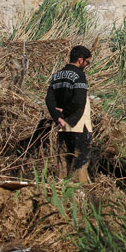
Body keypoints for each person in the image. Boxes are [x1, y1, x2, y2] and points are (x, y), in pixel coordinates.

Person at [45, 45, 94, 183]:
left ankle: (59, 192)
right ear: (80, 60)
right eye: (87, 62)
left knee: (63, 160)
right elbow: (79, 101)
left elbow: (49, 99)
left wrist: (58, 117)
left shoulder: (56, 76)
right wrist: (67, 113)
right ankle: (79, 195)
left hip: (62, 126)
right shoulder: (79, 76)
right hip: (79, 124)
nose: (86, 65)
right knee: (80, 161)